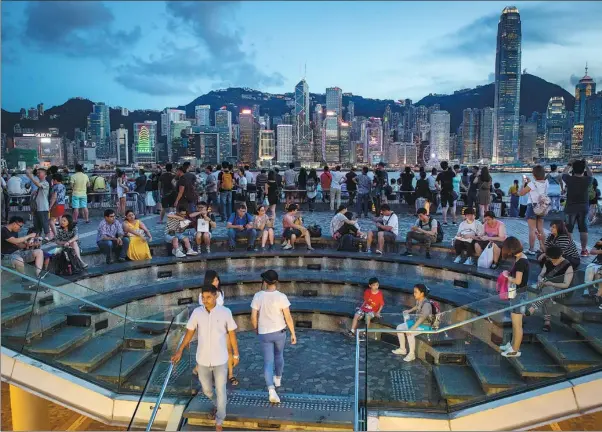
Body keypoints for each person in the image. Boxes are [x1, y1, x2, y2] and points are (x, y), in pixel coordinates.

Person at [171, 284, 239, 431]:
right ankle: (217, 404)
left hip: (220, 359)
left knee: (221, 390)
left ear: (215, 296)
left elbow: (232, 334)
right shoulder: (197, 312)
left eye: (208, 297)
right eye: (203, 297)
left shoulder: (225, 312)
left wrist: (235, 354)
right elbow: (189, 332)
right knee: (207, 390)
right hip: (202, 359)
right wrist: (180, 350)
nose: (205, 300)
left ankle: (219, 420)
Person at [251, 270, 297, 404]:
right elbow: (287, 317)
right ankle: (278, 379)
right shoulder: (281, 297)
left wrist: (256, 328)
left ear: (265, 282)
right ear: (276, 281)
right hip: (280, 331)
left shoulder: (258, 296)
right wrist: (293, 333)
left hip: (264, 332)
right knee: (279, 355)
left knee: (268, 361)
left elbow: (253, 317)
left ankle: (271, 389)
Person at [529, 246, 574, 332]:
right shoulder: (548, 262)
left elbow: (566, 285)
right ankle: (546, 322)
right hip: (548, 288)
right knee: (548, 293)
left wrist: (551, 284)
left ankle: (534, 308)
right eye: (550, 259)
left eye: (554, 259)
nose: (552, 261)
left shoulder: (568, 266)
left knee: (548, 291)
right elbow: (541, 274)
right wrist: (539, 279)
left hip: (563, 290)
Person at [499, 236, 530, 358]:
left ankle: (515, 350)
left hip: (519, 295)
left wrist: (507, 276)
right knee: (515, 323)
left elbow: (518, 281)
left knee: (517, 325)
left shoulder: (521, 261)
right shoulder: (521, 257)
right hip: (517, 294)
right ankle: (512, 345)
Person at [392, 284, 434, 362]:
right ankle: (402, 349)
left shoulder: (427, 305)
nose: (414, 294)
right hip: (417, 321)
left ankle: (412, 354)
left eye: (416, 292)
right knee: (399, 328)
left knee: (410, 332)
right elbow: (417, 306)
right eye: (414, 292)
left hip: (425, 325)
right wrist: (409, 310)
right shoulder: (419, 300)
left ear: (422, 293)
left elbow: (422, 318)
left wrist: (412, 328)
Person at [562, 159, 593, 256]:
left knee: (569, 229)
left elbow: (564, 172)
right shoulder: (587, 180)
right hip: (583, 207)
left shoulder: (569, 179)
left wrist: (569, 164)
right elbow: (591, 174)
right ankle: (584, 250)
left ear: (573, 170)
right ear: (583, 170)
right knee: (583, 229)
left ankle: (568, 250)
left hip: (570, 208)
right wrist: (586, 165)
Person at [519, 165, 548, 255]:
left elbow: (521, 193)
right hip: (542, 205)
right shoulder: (546, 182)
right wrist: (530, 182)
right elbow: (537, 187)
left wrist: (523, 183)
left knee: (532, 229)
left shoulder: (531, 184)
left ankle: (531, 249)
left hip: (532, 206)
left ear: (534, 174)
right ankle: (543, 247)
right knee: (540, 229)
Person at [26, 168, 51, 240]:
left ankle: (48, 237)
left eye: (40, 172)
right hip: (37, 208)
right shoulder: (39, 184)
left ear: (45, 175)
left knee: (44, 223)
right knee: (37, 224)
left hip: (43, 207)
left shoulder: (45, 183)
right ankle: (38, 237)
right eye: (37, 173)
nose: (38, 174)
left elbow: (38, 184)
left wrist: (31, 176)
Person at [585, 238, 602, 308]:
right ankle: (588, 289)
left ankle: (598, 294)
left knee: (599, 273)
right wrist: (600, 251)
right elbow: (592, 251)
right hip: (599, 263)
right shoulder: (601, 241)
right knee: (589, 267)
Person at [48, 174, 66, 240]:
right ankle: (62, 234)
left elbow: (54, 197)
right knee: (60, 220)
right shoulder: (63, 186)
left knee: (51, 221)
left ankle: (56, 236)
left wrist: (50, 206)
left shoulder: (55, 187)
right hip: (62, 205)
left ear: (55, 180)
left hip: (56, 205)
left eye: (53, 180)